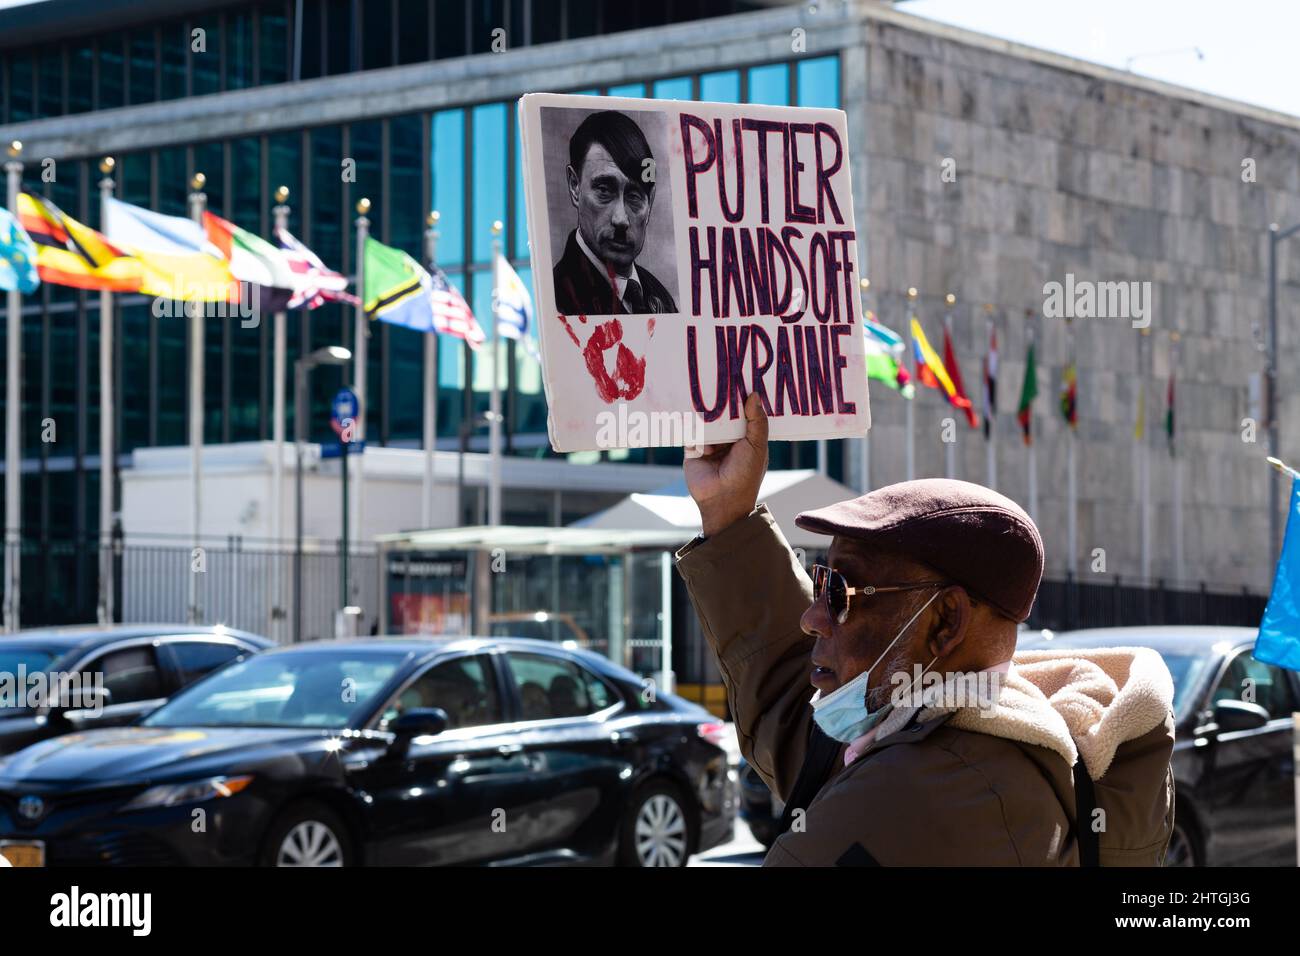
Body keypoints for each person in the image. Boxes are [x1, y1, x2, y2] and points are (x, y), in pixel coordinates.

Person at [676, 393, 1176, 866]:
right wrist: (729, 512)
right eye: (819, 582)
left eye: (840, 592)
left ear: (945, 622)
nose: (813, 617)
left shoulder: (916, 795)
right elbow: (796, 727)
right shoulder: (961, 734)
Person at [553, 110, 677, 316]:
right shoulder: (558, 300)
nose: (621, 219)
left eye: (634, 196)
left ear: (651, 200)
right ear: (575, 185)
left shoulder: (661, 299)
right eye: (604, 191)